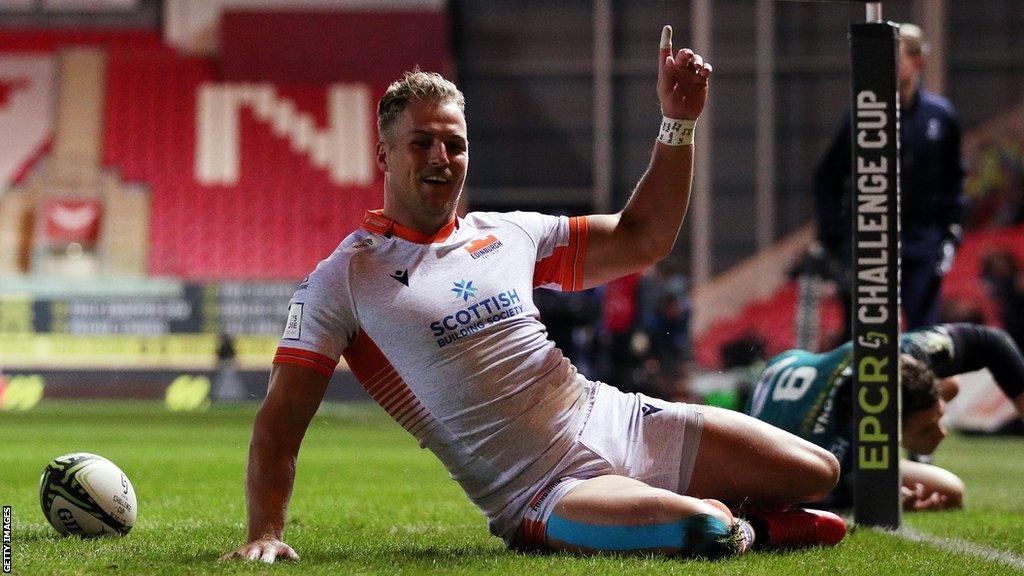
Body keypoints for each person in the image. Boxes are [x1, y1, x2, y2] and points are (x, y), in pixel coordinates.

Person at [222, 26, 847, 563]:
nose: (443, 157)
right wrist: (264, 533)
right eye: (422, 143)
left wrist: (677, 123)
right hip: (543, 490)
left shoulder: (511, 233)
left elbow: (643, 238)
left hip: (618, 419)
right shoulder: (344, 278)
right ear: (382, 152)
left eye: (456, 143)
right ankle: (748, 525)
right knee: (702, 528)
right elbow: (280, 419)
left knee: (819, 472)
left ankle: (733, 516)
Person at [746, 323, 1024, 511]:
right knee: (950, 490)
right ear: (879, 433)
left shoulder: (906, 355)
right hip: (773, 413)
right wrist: (871, 495)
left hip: (806, 369)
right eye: (927, 429)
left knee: (952, 384)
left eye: (938, 419)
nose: (943, 433)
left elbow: (992, 342)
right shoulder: (827, 453)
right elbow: (792, 502)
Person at [814, 23, 965, 342]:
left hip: (923, 245)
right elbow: (827, 177)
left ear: (916, 62)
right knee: (866, 337)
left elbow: (954, 178)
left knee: (923, 337)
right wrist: (836, 240)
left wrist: (951, 229)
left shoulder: (940, 116)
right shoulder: (861, 115)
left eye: (895, 59)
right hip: (869, 244)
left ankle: (920, 389)